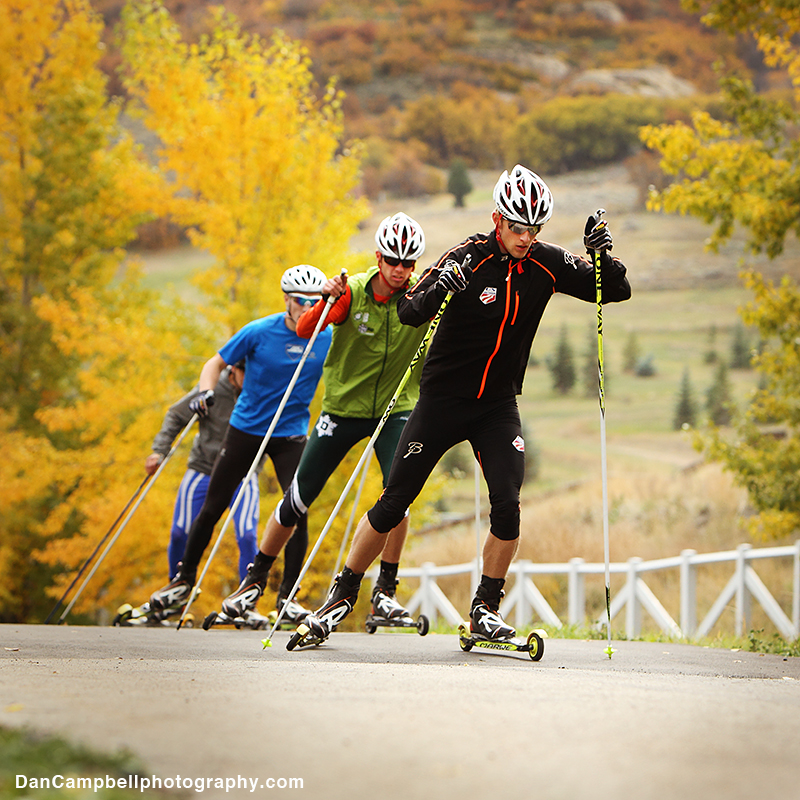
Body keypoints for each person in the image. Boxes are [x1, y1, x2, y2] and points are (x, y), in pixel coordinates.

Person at [300, 164, 632, 643]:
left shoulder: (546, 262)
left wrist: (603, 258)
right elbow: (409, 310)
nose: (526, 237)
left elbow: (615, 290)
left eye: (535, 228)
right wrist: (440, 286)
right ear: (498, 219)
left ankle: (484, 608)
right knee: (395, 501)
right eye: (518, 226)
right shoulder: (467, 256)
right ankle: (342, 593)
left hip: (496, 405)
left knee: (508, 505)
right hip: (442, 400)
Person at [219, 212, 429, 626]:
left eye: (408, 263)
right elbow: (305, 330)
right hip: (343, 409)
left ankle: (384, 593)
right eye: (393, 261)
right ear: (379, 258)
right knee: (297, 498)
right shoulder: (351, 292)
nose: (400, 271)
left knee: (399, 497)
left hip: (395, 409)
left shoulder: (419, 297)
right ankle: (255, 580)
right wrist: (325, 301)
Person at [147, 265, 332, 623]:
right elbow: (215, 363)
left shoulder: (324, 335)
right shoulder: (260, 331)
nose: (306, 308)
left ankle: (288, 597)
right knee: (213, 505)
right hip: (246, 429)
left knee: (297, 507)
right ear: (286, 300)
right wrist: (204, 391)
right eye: (299, 301)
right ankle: (183, 581)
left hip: (290, 434)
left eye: (313, 302)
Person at [146, 359, 259, 584]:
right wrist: (160, 451)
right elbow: (177, 415)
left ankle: (247, 598)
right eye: (248, 374)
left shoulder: (261, 392)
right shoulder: (212, 388)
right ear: (234, 370)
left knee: (247, 535)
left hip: (243, 475)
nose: (252, 380)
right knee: (180, 532)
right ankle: (175, 589)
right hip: (204, 468)